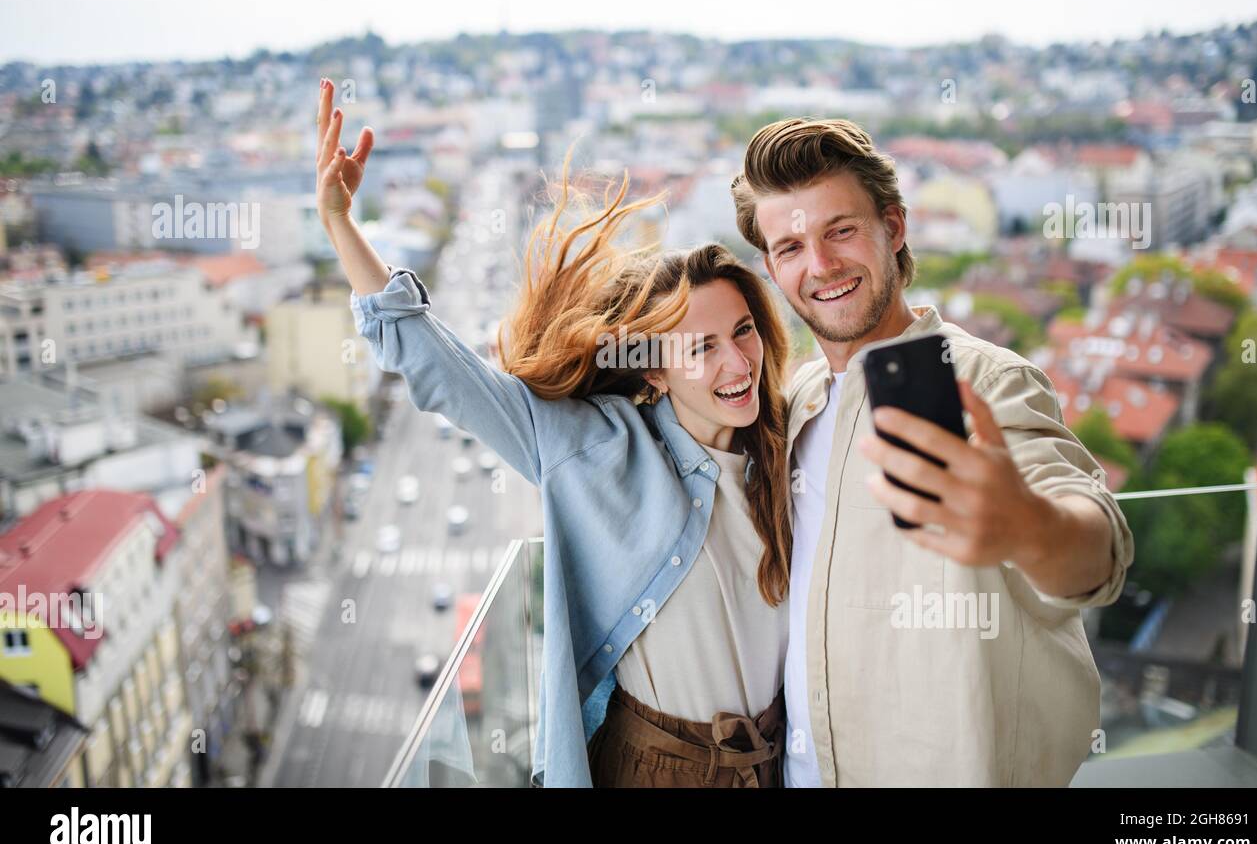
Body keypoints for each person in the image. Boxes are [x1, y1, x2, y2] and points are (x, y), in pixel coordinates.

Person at [315, 78, 793, 787]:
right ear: (654, 369)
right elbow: (443, 372)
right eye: (701, 347)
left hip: (774, 764)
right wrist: (340, 225)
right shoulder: (599, 447)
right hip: (657, 767)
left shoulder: (786, 452)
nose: (736, 362)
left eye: (744, 331)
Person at [730, 117, 1137, 786]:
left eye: (841, 230)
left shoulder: (985, 383)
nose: (821, 265)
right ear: (772, 266)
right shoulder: (797, 400)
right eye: (791, 246)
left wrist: (1028, 526)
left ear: (893, 228)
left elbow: (1099, 553)